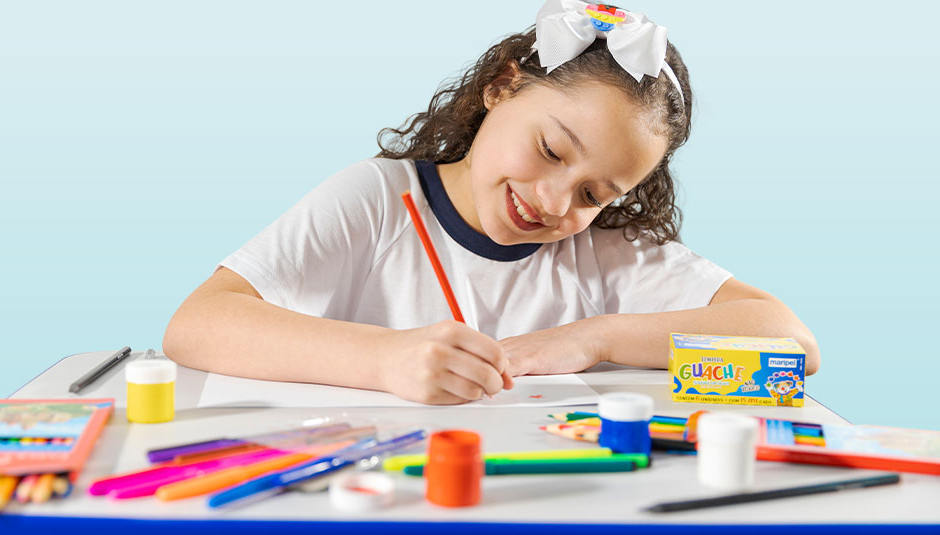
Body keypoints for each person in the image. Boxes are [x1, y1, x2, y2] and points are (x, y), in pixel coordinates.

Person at [163, 1, 820, 405]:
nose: (556, 200)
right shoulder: (381, 199)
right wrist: (384, 360)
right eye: (552, 150)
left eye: (595, 193)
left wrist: (593, 339)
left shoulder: (604, 251)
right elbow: (194, 327)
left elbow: (792, 347)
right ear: (503, 88)